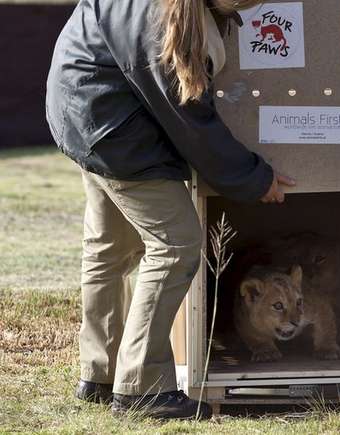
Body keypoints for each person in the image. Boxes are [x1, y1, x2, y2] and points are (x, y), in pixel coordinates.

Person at [46, 0, 295, 420]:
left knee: (110, 247)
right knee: (176, 243)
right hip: (115, 128)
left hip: (84, 108)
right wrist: (254, 177)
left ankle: (101, 374)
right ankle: (142, 389)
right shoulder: (162, 20)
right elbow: (189, 117)